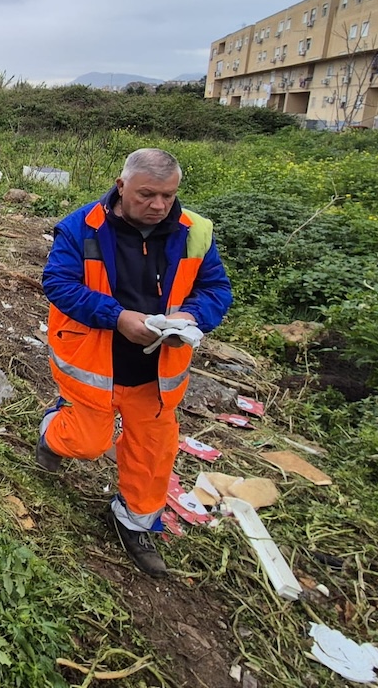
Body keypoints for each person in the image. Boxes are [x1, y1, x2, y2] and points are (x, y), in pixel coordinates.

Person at [37, 148, 232, 577]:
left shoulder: (195, 231)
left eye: (167, 195)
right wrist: (118, 317)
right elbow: (57, 283)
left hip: (157, 374)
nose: (159, 206)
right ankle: (52, 432)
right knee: (89, 443)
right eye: (147, 194)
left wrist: (193, 315)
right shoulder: (80, 227)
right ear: (122, 186)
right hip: (93, 363)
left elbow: (216, 288)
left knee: (154, 453)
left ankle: (134, 522)